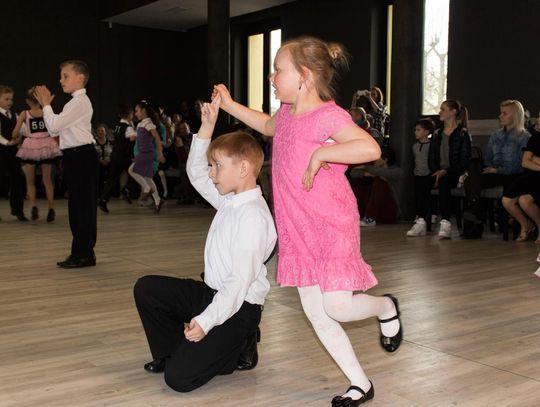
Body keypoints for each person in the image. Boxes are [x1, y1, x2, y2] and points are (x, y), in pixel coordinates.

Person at [213, 36, 402, 406]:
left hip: (330, 223)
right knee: (318, 314)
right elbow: (268, 126)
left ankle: (386, 307)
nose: (271, 77)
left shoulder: (328, 116)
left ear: (303, 76)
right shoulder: (286, 112)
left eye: (277, 70)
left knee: (338, 307)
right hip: (297, 228)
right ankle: (360, 384)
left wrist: (320, 155)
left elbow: (370, 147)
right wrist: (230, 105)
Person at [133, 95, 277, 392]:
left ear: (243, 169)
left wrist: (206, 321)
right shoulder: (230, 198)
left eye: (217, 167)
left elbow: (238, 285)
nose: (211, 173)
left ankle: (240, 345)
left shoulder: (253, 217)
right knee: (146, 288)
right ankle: (173, 353)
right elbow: (196, 174)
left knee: (178, 379)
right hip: (212, 294)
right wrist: (207, 127)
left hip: (239, 307)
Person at [34, 60, 98, 268]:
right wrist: (46, 107)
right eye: (61, 76)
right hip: (76, 156)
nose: (61, 80)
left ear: (80, 78)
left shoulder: (79, 102)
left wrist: (46, 104)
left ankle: (83, 254)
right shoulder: (74, 102)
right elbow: (55, 129)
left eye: (65, 76)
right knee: (79, 206)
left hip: (81, 156)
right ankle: (82, 252)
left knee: (81, 207)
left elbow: (54, 126)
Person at [464, 100, 531, 234]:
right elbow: (488, 158)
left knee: (476, 179)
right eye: (501, 113)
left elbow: (518, 165)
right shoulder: (496, 135)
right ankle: (475, 211)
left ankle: (476, 217)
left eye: (504, 113)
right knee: (471, 178)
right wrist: (492, 168)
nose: (500, 116)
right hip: (496, 171)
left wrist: (497, 170)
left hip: (514, 175)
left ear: (515, 116)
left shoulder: (524, 137)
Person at [415, 100, 471, 239]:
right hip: (439, 172)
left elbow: (464, 161)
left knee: (444, 183)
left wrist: (445, 171)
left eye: (443, 109)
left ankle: (445, 223)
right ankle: (421, 221)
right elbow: (432, 158)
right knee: (423, 182)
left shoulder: (463, 134)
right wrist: (436, 170)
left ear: (453, 112)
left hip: (455, 173)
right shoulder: (437, 134)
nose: (439, 112)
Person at [11, 87, 62, 222]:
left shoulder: (24, 113)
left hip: (31, 147)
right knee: (47, 181)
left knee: (30, 181)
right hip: (46, 146)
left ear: (28, 101)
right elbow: (55, 129)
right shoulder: (47, 112)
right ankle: (51, 209)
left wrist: (17, 135)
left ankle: (33, 206)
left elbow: (15, 133)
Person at [501, 114, 540, 243]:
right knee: (507, 200)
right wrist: (535, 161)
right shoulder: (535, 137)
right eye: (538, 116)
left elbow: (531, 159)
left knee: (524, 200)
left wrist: (534, 159)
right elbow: (525, 162)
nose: (538, 120)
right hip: (532, 174)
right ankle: (525, 225)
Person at [127, 101, 165, 212]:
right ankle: (158, 200)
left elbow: (157, 138)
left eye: (137, 111)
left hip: (147, 153)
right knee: (148, 178)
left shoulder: (148, 123)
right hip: (143, 153)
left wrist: (160, 153)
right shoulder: (141, 124)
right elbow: (141, 138)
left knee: (131, 170)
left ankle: (147, 189)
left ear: (143, 111)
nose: (135, 114)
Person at [98, 105, 137, 213]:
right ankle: (125, 189)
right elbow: (133, 137)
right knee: (136, 171)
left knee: (112, 179)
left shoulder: (117, 125)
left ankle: (103, 200)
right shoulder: (128, 128)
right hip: (124, 156)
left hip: (115, 155)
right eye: (132, 114)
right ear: (129, 115)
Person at [0, 85, 27, 221]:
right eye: (6, 99)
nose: (10, 102)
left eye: (11, 99)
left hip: (13, 152)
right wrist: (8, 143)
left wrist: (20, 138)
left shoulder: (15, 114)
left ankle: (18, 210)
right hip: (1, 151)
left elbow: (23, 129)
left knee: (17, 179)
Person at [406, 118, 434, 236]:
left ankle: (425, 218)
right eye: (415, 130)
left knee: (425, 197)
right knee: (418, 196)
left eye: (418, 130)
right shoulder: (415, 146)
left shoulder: (431, 146)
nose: (415, 132)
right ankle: (420, 217)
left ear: (426, 132)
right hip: (417, 175)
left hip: (428, 176)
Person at [94, 124, 112, 197]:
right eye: (98, 131)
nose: (100, 132)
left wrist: (108, 160)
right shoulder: (93, 143)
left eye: (102, 130)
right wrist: (100, 160)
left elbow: (114, 153)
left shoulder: (111, 143)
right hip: (97, 164)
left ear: (105, 132)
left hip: (109, 163)